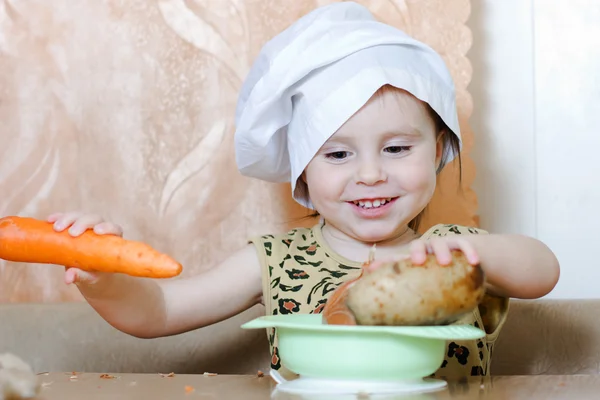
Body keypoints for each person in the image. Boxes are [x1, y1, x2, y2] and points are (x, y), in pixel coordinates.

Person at [47, 2, 559, 380]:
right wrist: (103, 279)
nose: (371, 174)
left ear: (440, 149)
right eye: (338, 154)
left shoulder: (449, 254)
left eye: (397, 149)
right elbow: (158, 310)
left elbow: (542, 270)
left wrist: (474, 253)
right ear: (302, 174)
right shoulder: (276, 259)